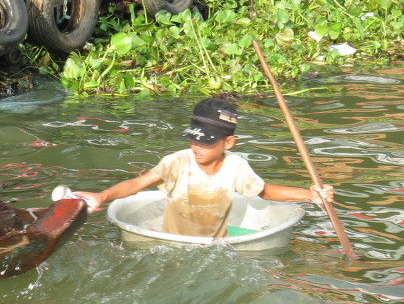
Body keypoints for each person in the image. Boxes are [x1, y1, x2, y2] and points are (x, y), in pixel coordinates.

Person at [74, 97, 334, 238]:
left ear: (228, 142)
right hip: (170, 241)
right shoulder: (178, 161)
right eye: (194, 140)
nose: (197, 148)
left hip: (214, 245)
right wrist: (103, 196)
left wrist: (311, 195)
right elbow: (137, 184)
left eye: (207, 143)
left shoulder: (236, 167)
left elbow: (264, 192)